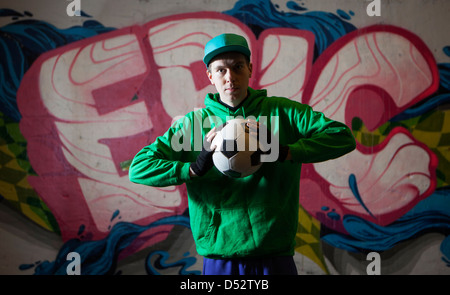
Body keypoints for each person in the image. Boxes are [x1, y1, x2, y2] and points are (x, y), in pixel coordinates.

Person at [129, 33, 356, 275]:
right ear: (210, 76)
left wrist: (287, 151)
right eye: (221, 70)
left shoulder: (284, 113)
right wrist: (193, 168)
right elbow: (139, 167)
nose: (230, 77)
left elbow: (342, 136)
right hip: (221, 255)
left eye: (237, 67)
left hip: (275, 253)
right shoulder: (192, 125)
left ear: (249, 68)